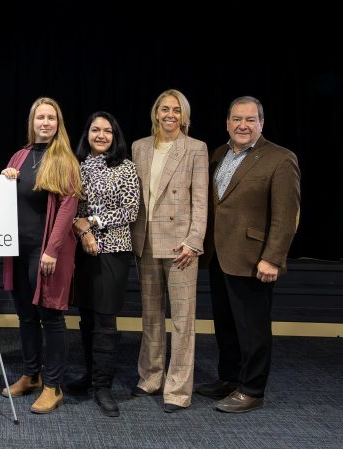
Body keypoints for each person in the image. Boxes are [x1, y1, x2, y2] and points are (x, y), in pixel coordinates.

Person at [196, 96, 301, 413]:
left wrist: (273, 257)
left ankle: (252, 389)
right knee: (225, 324)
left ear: (261, 124)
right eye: (237, 119)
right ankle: (229, 378)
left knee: (252, 329)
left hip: (255, 259)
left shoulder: (280, 159)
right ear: (227, 123)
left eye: (250, 120)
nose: (243, 125)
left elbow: (287, 215)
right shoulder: (218, 155)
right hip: (218, 255)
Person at [129, 89, 208, 412]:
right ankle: (150, 377)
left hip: (180, 246)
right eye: (164, 109)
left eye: (176, 110)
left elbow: (201, 200)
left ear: (184, 116)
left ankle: (177, 389)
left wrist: (194, 241)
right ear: (155, 113)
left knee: (182, 321)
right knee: (150, 318)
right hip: (146, 241)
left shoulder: (195, 149)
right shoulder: (140, 147)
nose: (170, 115)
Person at [1, 97, 81, 414]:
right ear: (32, 122)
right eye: (40, 117)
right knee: (25, 316)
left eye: (51, 118)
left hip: (46, 252)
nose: (45, 123)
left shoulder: (64, 159)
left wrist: (51, 250)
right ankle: (31, 375)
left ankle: (53, 385)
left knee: (51, 317)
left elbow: (67, 209)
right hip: (17, 249)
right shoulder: (20, 156)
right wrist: (6, 179)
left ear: (58, 123)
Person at [67, 111, 139, 417]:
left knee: (105, 320)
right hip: (81, 250)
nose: (100, 135)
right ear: (87, 134)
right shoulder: (77, 167)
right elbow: (69, 208)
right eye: (95, 130)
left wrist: (92, 223)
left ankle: (103, 386)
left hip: (113, 250)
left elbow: (131, 210)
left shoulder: (125, 167)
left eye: (107, 131)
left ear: (115, 135)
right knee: (86, 317)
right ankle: (90, 375)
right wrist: (82, 231)